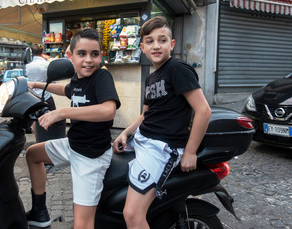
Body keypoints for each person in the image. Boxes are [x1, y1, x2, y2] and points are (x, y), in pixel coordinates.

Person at [112, 16, 211, 229]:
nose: (156, 45)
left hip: (161, 148)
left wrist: (190, 152)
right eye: (150, 41)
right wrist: (125, 133)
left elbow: (203, 110)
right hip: (142, 139)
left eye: (162, 40)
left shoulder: (177, 68)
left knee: (132, 215)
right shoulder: (151, 78)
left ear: (171, 45)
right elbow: (145, 115)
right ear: (142, 48)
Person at [25, 28, 121, 229]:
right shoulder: (78, 79)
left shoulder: (101, 77)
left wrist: (61, 113)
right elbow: (66, 90)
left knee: (82, 225)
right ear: (70, 56)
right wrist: (35, 84)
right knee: (33, 154)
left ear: (101, 56)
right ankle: (39, 212)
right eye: (82, 54)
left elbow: (108, 110)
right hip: (73, 145)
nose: (88, 60)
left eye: (94, 54)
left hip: (91, 156)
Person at [26, 44, 56, 137]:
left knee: (35, 119)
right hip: (46, 94)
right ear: (42, 52)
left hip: (33, 96)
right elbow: (53, 80)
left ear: (32, 53)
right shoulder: (47, 64)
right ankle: (49, 137)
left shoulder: (28, 66)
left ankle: (37, 138)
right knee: (52, 117)